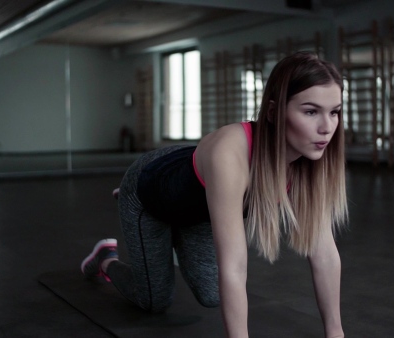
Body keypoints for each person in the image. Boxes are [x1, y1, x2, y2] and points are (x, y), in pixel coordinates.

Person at [81, 51, 348, 338]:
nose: (327, 127)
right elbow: (233, 265)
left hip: (200, 206)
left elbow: (325, 255)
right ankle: (106, 257)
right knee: (154, 300)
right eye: (311, 111)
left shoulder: (310, 163)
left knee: (211, 296)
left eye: (334, 112)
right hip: (149, 193)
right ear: (273, 113)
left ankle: (172, 217)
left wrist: (336, 333)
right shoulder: (230, 154)